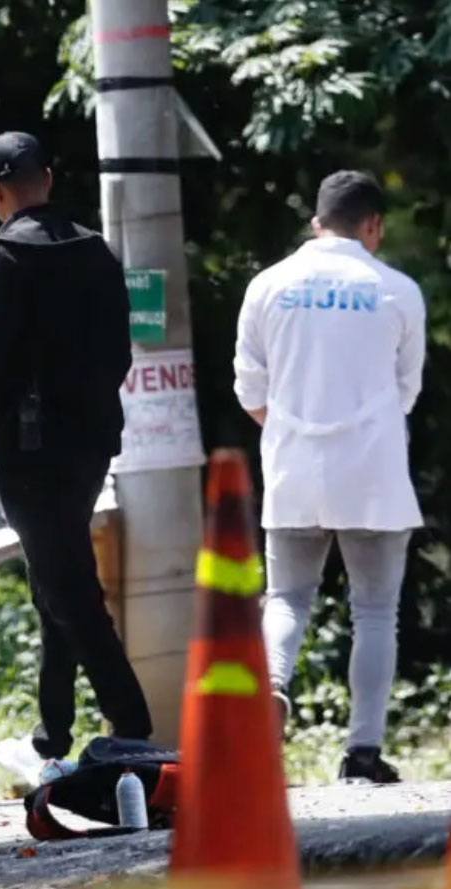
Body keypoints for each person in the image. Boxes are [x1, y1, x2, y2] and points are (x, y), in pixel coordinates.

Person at [0, 132, 153, 780]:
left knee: (69, 588)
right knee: (55, 583)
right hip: (92, 442)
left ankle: (133, 728)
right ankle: (52, 737)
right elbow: (121, 353)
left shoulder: (4, 255)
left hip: (29, 449)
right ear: (48, 174)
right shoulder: (95, 248)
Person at [233, 170, 425, 784]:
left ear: (316, 223)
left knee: (287, 599)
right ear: (373, 225)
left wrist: (292, 426)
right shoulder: (396, 290)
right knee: (374, 612)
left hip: (292, 468)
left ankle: (273, 692)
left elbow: (249, 388)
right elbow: (406, 391)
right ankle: (362, 754)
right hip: (373, 474)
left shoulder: (268, 285)